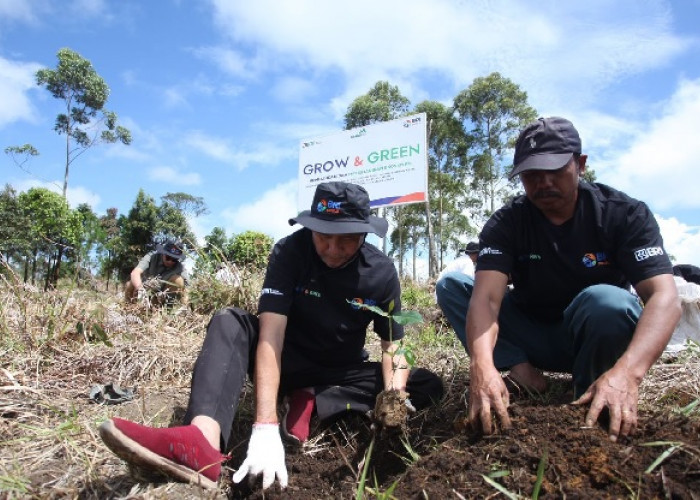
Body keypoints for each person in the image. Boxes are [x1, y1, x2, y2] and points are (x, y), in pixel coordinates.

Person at [100, 182, 443, 490]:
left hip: (340, 371)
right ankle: (201, 440)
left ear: (366, 234)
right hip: (284, 359)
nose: (333, 248)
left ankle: (314, 399)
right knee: (229, 321)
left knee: (426, 383)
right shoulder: (290, 252)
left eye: (347, 240)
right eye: (323, 236)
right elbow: (270, 336)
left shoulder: (381, 272)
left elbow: (393, 344)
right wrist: (264, 423)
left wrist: (394, 402)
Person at [436, 116, 680, 443]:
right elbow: (487, 299)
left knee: (608, 302)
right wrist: (482, 365)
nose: (544, 183)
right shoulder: (508, 222)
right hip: (531, 332)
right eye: (532, 175)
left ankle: (595, 392)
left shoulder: (622, 214)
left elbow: (664, 297)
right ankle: (522, 372)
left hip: (590, 336)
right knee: (453, 286)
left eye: (555, 171)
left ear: (580, 164)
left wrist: (628, 373)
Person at [124, 240, 189, 305]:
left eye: (174, 259)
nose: (170, 262)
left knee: (179, 280)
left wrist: (185, 304)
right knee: (130, 283)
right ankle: (128, 306)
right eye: (168, 257)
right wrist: (140, 289)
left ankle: (168, 309)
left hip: (160, 298)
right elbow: (135, 273)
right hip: (144, 292)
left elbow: (187, 289)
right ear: (163, 253)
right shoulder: (151, 257)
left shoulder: (180, 268)